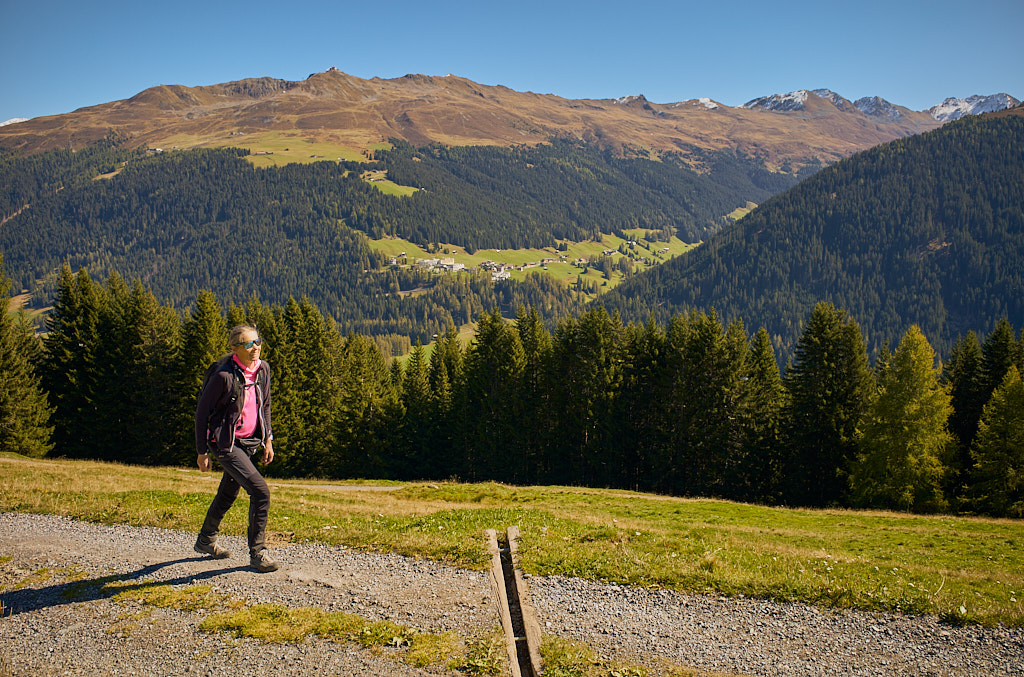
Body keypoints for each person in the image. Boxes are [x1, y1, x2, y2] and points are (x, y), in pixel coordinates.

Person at [194, 324, 279, 573]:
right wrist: (202, 452)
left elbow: (265, 405)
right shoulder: (224, 376)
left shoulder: (263, 369)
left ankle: (206, 540)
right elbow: (201, 414)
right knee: (260, 492)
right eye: (248, 344)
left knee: (228, 492)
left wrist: (268, 440)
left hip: (249, 442)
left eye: (257, 342)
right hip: (225, 442)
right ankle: (258, 553)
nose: (255, 348)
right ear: (234, 349)